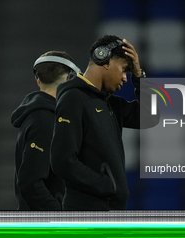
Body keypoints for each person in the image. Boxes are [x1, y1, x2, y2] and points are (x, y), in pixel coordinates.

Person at [50, 35, 159, 210]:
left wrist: (140, 76)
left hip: (108, 211)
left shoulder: (110, 104)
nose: (125, 78)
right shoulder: (73, 98)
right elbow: (62, 160)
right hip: (88, 215)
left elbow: (150, 117)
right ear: (104, 59)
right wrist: (108, 186)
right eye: (124, 69)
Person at [11, 50, 80, 210]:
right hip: (44, 228)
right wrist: (59, 217)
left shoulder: (45, 117)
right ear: (69, 79)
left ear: (38, 81)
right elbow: (30, 182)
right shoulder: (44, 120)